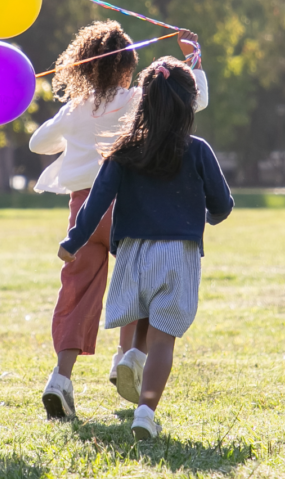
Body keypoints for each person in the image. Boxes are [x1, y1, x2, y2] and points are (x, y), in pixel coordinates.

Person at [30, 20, 209, 420]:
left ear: (84, 68)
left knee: (76, 292)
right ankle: (126, 357)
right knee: (139, 285)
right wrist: (194, 60)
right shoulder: (135, 101)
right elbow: (193, 101)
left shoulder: (75, 110)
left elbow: (37, 143)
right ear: (128, 66)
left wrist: (73, 125)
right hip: (127, 207)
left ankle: (61, 378)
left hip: (83, 213)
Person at [58, 56, 233, 440]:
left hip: (133, 253)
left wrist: (73, 241)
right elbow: (223, 204)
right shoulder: (198, 149)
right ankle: (145, 412)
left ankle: (132, 357)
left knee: (142, 315)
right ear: (189, 104)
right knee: (164, 340)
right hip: (177, 253)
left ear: (144, 102)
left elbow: (96, 202)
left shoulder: (123, 150)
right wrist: (206, 217)